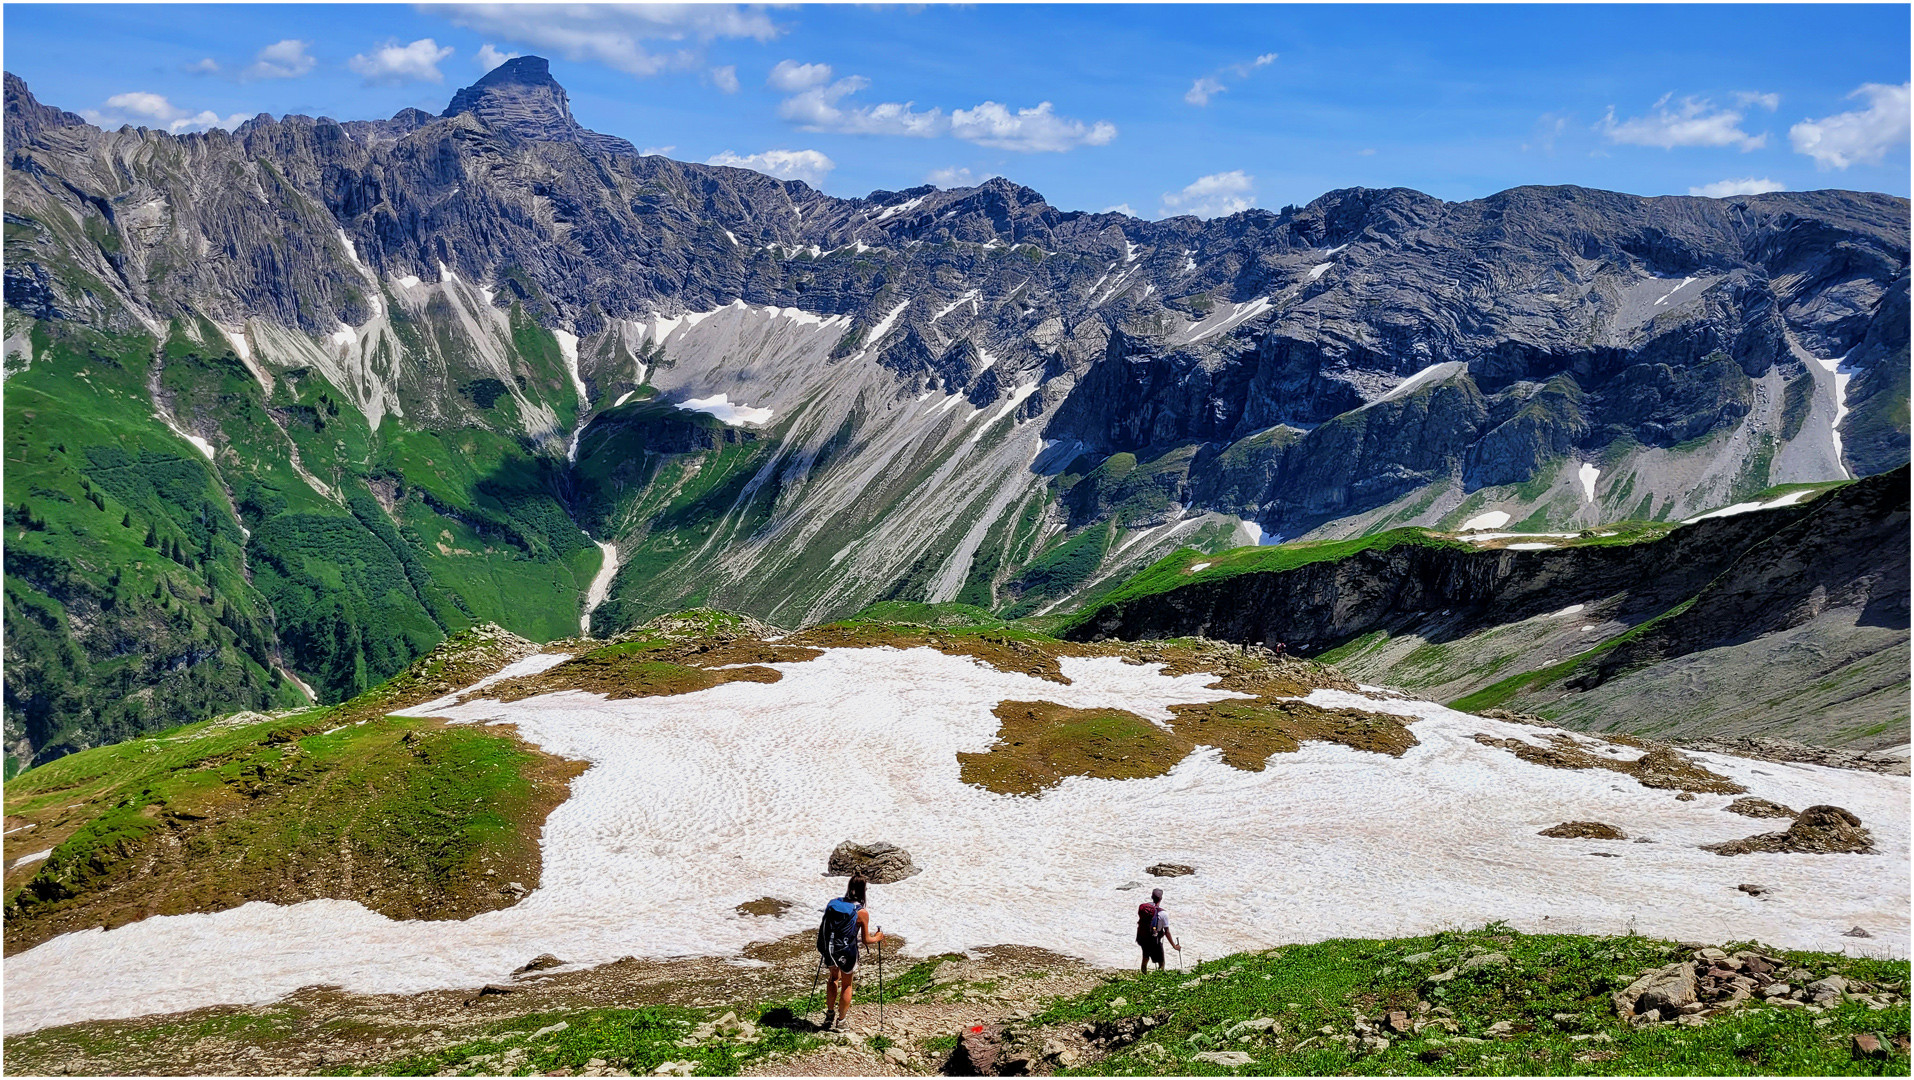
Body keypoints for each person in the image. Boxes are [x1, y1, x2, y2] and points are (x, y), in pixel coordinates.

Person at [816, 875, 884, 1030]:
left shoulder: (833, 903)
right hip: (847, 952)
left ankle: (829, 1015)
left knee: (833, 978)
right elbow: (866, 940)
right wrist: (878, 937)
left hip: (830, 949)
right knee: (847, 985)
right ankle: (841, 1022)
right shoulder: (861, 912)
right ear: (863, 891)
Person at [1136, 887, 1180, 972]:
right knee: (1161, 962)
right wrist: (1174, 946)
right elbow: (1167, 932)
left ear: (1152, 897)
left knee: (1145, 958)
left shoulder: (1145, 908)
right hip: (1155, 940)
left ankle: (1144, 977)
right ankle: (1158, 978)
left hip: (1143, 937)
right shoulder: (1163, 914)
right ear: (1161, 898)